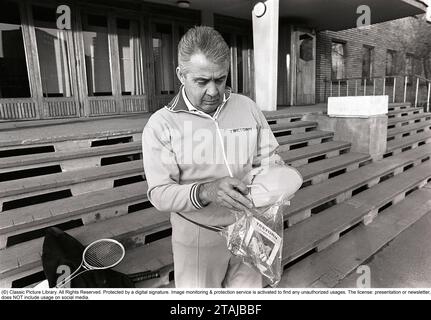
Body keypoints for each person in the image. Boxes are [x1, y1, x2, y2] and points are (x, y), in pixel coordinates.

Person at [142, 26, 282, 288]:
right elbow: (160, 193)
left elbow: (270, 157)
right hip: (197, 236)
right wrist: (206, 191)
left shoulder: (247, 107)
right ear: (181, 75)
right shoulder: (161, 124)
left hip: (250, 228)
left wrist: (276, 176)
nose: (213, 91)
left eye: (220, 79)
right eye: (202, 81)